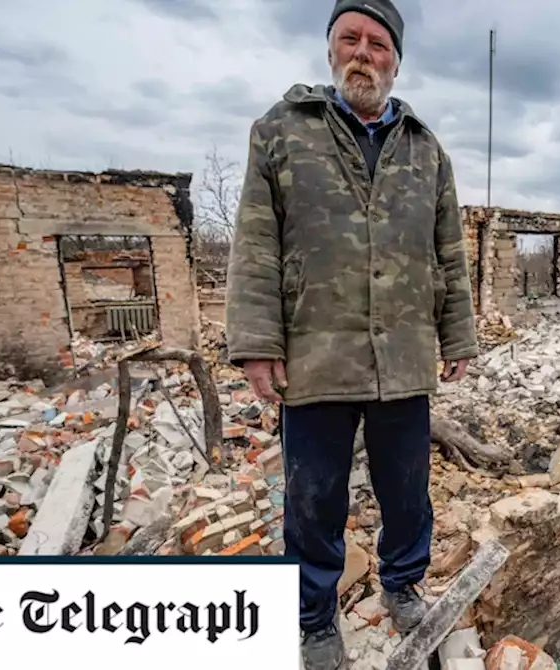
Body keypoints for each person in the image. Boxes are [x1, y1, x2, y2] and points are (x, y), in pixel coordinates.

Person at [224, 0, 478, 665]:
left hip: (402, 355)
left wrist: (459, 338)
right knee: (313, 499)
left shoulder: (426, 149)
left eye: (378, 44)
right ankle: (311, 618)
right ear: (331, 48)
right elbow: (254, 242)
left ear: (396, 58)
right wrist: (257, 342)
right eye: (350, 39)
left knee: (407, 489)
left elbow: (447, 251)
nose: (364, 53)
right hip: (316, 354)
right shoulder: (282, 131)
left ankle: (401, 583)